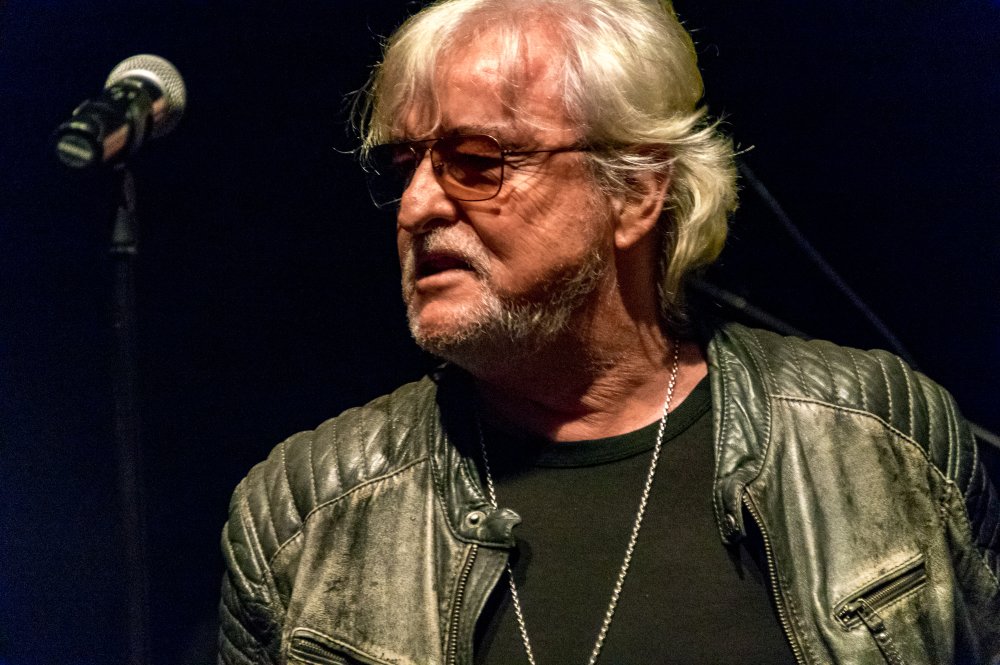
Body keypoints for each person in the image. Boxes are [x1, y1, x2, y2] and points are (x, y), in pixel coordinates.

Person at [217, 0, 1000, 663]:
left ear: (636, 190)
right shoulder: (305, 515)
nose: (418, 206)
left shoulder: (881, 435)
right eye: (405, 166)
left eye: (477, 159)